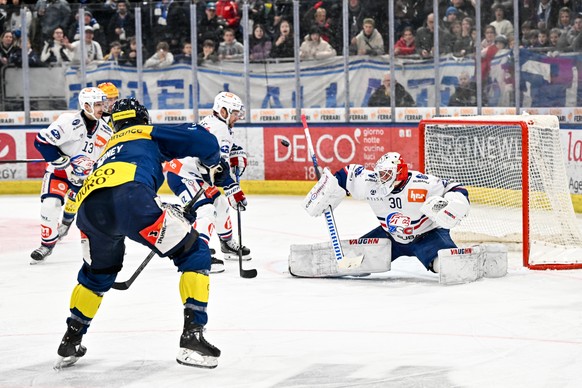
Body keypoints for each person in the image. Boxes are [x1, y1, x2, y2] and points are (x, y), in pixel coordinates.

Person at [53, 97, 235, 370]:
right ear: (143, 118)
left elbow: (118, 185)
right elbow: (204, 140)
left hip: (90, 211)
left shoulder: (108, 147)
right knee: (195, 253)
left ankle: (71, 339)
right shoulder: (146, 131)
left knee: (97, 275)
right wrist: (216, 165)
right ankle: (192, 336)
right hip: (132, 202)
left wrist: (163, 210)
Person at [303, 152, 470, 274]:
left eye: (386, 174)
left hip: (427, 235)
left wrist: (454, 202)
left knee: (447, 266)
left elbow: (455, 188)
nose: (381, 178)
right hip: (389, 237)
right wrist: (327, 188)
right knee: (356, 265)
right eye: (380, 174)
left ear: (400, 172)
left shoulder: (423, 183)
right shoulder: (373, 183)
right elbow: (346, 176)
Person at [164, 92, 250, 272]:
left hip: (189, 171)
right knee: (206, 209)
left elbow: (216, 157)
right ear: (224, 111)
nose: (237, 117)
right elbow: (217, 169)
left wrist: (235, 151)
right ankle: (198, 255)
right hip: (183, 174)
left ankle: (226, 244)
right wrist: (232, 187)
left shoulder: (214, 123)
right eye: (234, 113)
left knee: (219, 202)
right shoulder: (221, 129)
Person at [30, 87, 112, 263]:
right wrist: (66, 166)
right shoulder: (69, 122)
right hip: (59, 173)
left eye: (102, 104)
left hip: (84, 179)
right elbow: (41, 142)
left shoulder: (106, 131)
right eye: (98, 104)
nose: (102, 108)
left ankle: (70, 226)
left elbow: (105, 158)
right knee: (50, 206)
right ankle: (47, 245)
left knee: (92, 212)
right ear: (86, 105)